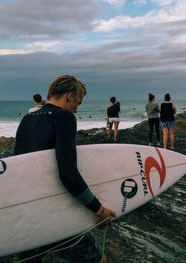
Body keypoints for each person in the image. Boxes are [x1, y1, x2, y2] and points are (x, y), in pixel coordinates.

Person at [14, 75, 115, 262]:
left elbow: (17, 167)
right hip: (52, 213)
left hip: (27, 213)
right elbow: (68, 175)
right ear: (69, 96)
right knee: (97, 260)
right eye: (77, 102)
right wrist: (98, 210)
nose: (76, 109)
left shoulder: (26, 119)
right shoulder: (64, 118)